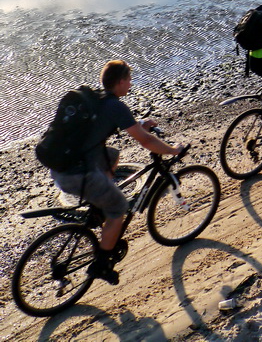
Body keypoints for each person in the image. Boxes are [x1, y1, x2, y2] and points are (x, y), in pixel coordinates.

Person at [48, 60, 183, 285]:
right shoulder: (115, 106)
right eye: (129, 80)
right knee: (119, 208)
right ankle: (100, 265)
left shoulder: (97, 98)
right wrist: (171, 150)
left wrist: (139, 123)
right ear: (120, 82)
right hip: (77, 175)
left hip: (61, 166)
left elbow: (115, 126)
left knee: (111, 154)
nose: (131, 84)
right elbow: (146, 140)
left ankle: (99, 206)